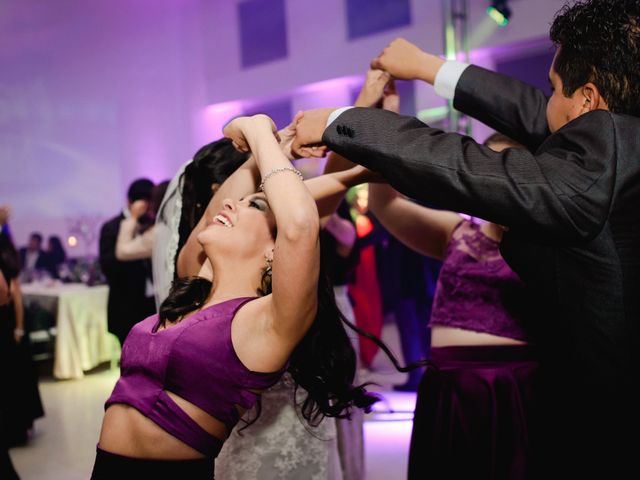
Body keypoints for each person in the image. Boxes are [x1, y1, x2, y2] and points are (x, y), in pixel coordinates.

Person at [293, 1, 639, 475]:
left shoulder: (595, 171)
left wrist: (343, 121)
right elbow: (531, 113)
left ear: (588, 100)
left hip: (604, 424)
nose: (544, 106)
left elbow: (463, 164)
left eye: (554, 90)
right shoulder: (621, 151)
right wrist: (428, 67)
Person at [91, 114, 377, 479]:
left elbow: (299, 224)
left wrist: (259, 129)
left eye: (254, 206)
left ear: (277, 252)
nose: (232, 204)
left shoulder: (266, 322)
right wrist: (275, 148)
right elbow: (221, 208)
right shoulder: (193, 286)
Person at [369, 129, 538, 479]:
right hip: (447, 382)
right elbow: (384, 205)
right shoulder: (456, 230)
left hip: (511, 385)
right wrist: (378, 137)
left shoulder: (547, 244)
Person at [99, 178, 156, 346]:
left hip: (151, 304)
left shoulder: (151, 224)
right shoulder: (112, 227)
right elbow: (108, 266)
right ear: (130, 201)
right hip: (125, 306)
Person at [115, 181, 170, 262]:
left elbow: (123, 252)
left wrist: (133, 218)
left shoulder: (158, 230)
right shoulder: (111, 227)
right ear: (130, 201)